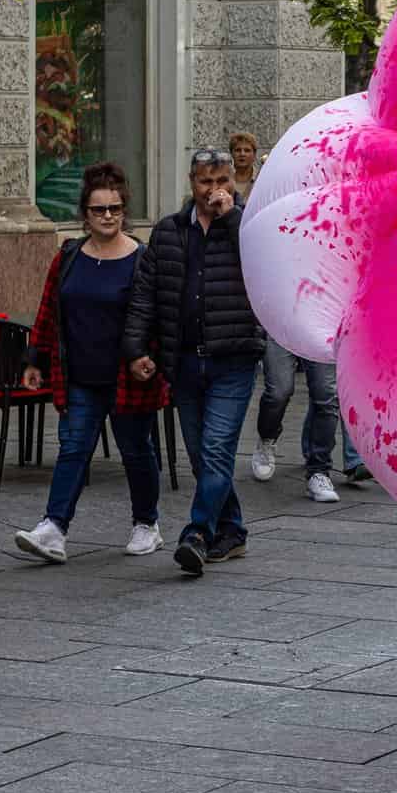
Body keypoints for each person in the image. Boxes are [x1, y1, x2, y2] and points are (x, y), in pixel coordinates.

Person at [15, 162, 168, 564]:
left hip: (127, 377)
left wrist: (150, 358)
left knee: (136, 451)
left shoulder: (142, 259)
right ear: (85, 213)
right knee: (73, 449)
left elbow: (157, 317)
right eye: (99, 209)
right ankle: (54, 528)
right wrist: (35, 359)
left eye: (115, 208)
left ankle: (146, 523)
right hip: (78, 375)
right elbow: (48, 312)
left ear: (124, 210)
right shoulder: (68, 256)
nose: (107, 216)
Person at [124, 149, 265, 575]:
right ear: (192, 183)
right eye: (206, 181)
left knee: (217, 449)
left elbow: (265, 263)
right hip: (184, 361)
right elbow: (145, 294)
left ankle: (197, 534)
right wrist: (136, 348)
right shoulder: (169, 232)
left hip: (233, 358)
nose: (214, 190)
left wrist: (233, 217)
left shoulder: (249, 227)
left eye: (222, 181)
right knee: (203, 456)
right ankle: (232, 530)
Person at [250, 338, 364, 501]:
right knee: (278, 393)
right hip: (281, 330)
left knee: (326, 395)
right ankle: (267, 438)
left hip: (319, 330)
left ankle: (319, 471)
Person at [230, 131, 260, 205]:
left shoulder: (261, 179)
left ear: (254, 154)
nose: (242, 154)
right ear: (231, 153)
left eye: (247, 150)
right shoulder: (224, 180)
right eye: (238, 150)